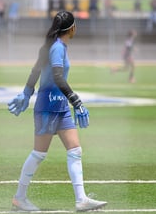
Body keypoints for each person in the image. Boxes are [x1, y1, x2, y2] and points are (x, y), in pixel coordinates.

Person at [7, 11, 107, 212]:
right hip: (48, 107)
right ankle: (19, 198)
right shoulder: (57, 48)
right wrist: (76, 101)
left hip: (60, 107)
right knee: (38, 154)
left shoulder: (52, 46)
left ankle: (81, 199)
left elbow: (36, 70)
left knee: (75, 151)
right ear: (71, 28)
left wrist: (27, 92)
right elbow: (58, 77)